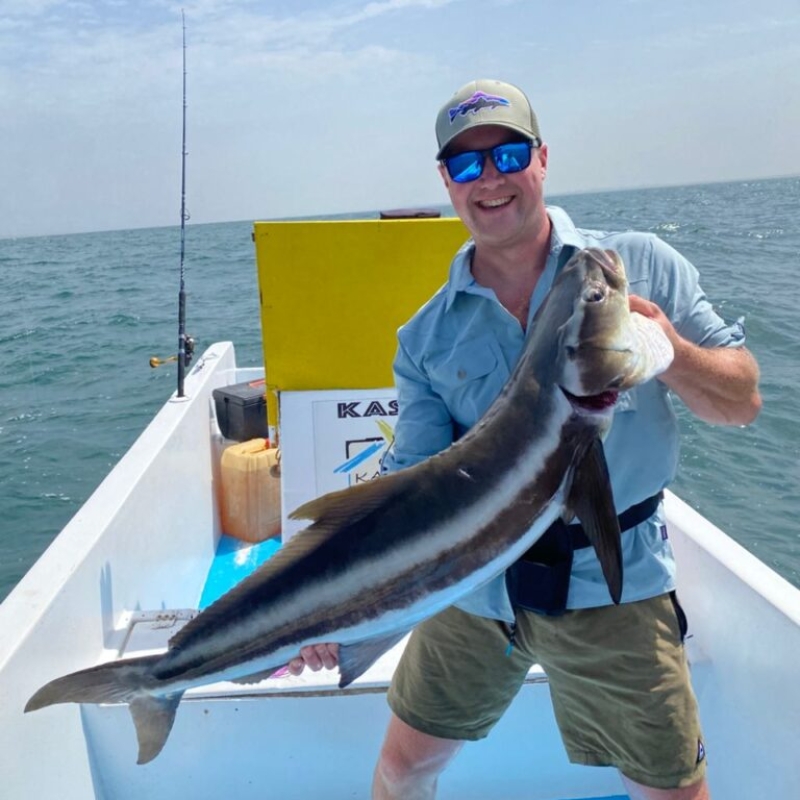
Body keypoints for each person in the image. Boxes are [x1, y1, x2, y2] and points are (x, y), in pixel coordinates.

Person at [289, 79, 762, 799]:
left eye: (507, 154)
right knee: (402, 768)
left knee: (671, 789)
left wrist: (669, 349)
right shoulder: (426, 335)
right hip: (475, 588)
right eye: (466, 163)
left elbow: (742, 402)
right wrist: (330, 609)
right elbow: (411, 485)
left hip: (612, 582)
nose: (490, 178)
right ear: (446, 180)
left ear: (541, 158)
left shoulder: (636, 263)